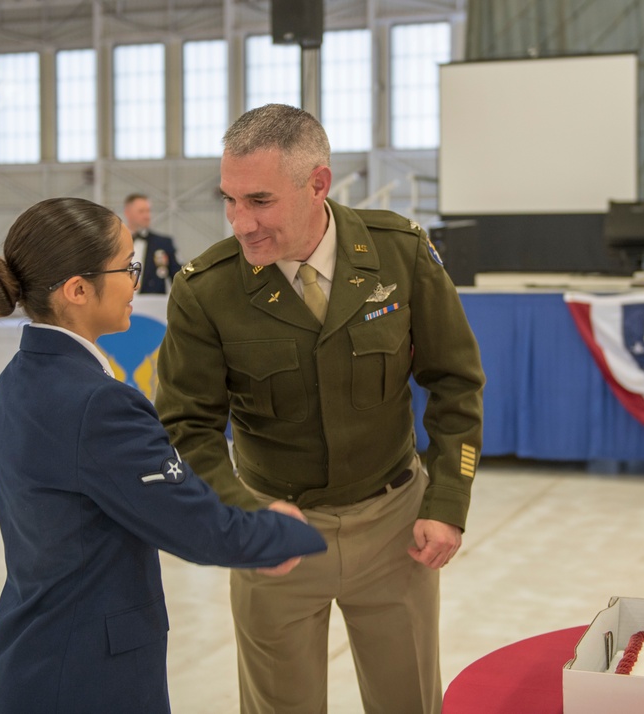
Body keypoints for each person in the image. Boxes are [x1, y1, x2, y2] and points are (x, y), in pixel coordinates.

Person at [154, 104, 485, 714]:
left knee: (408, 701)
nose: (240, 223)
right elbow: (185, 426)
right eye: (229, 200)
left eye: (259, 200)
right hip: (274, 535)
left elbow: (456, 384)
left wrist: (448, 504)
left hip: (395, 532)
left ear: (318, 185)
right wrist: (243, 511)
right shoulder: (207, 290)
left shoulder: (400, 254)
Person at [0, 196, 327, 714]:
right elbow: (199, 528)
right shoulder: (99, 405)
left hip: (30, 656)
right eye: (127, 267)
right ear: (77, 290)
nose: (137, 281)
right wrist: (305, 532)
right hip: (88, 677)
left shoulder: (19, 379)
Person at [123, 192, 181, 294]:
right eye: (141, 211)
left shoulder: (163, 243)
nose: (147, 216)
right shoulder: (115, 242)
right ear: (127, 213)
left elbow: (178, 277)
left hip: (153, 306)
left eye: (148, 211)